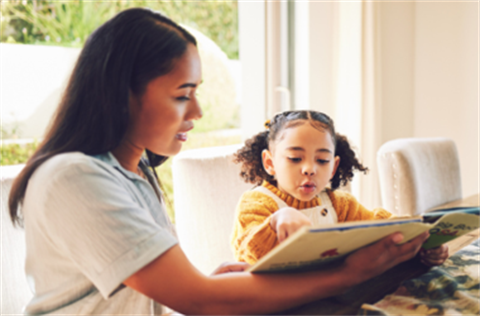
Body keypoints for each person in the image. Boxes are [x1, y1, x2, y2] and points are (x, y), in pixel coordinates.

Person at [9, 8, 431, 315]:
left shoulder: (134, 176)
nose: (197, 113)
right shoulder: (75, 178)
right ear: (122, 94)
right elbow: (201, 302)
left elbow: (165, 293)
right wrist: (347, 275)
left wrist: (207, 282)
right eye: (181, 95)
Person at [231, 110, 448, 266]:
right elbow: (252, 255)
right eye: (295, 158)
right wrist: (276, 221)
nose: (309, 169)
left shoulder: (339, 204)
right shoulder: (256, 203)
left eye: (322, 161)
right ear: (270, 163)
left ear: (334, 167)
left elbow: (379, 227)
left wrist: (420, 240)